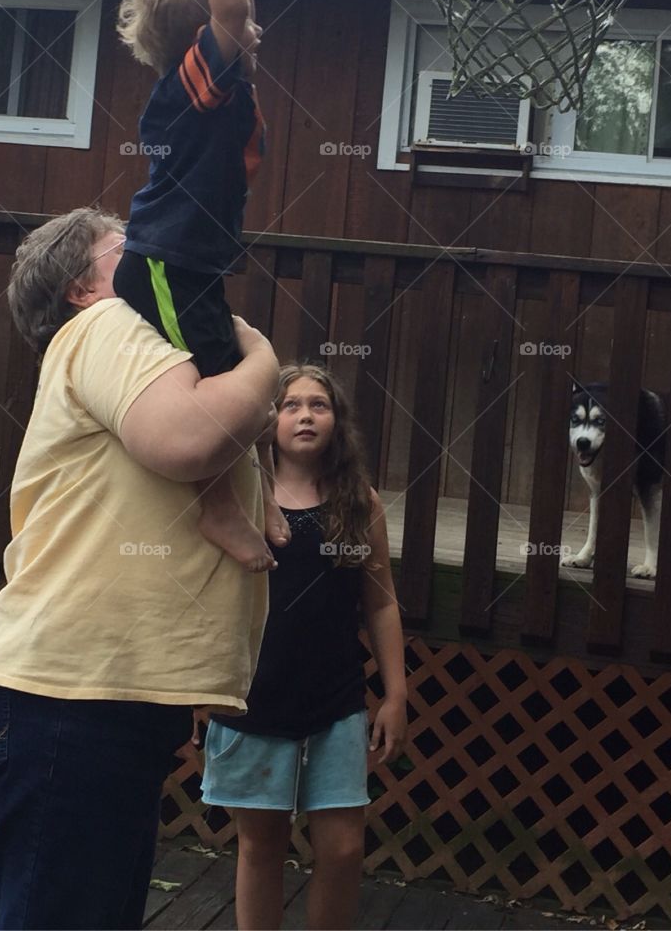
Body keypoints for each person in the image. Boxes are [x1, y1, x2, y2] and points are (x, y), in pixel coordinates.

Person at [0, 206, 279, 931]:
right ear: (82, 287)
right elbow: (194, 438)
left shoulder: (133, 350)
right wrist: (262, 353)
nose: (154, 260)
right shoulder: (107, 327)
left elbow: (215, 431)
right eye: (128, 250)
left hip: (95, 699)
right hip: (68, 701)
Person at [114, 0, 286, 574]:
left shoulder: (220, 85)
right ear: (202, 36)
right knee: (219, 383)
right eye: (242, 19)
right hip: (165, 261)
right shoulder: (194, 89)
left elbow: (233, 5)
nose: (254, 24)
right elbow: (227, 13)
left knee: (246, 379)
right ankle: (217, 507)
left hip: (191, 264)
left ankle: (261, 492)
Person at [199, 364, 408, 931]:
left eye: (319, 404)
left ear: (337, 423)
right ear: (268, 421)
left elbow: (381, 602)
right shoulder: (239, 496)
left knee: (342, 849)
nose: (306, 415)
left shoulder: (359, 502)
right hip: (254, 697)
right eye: (290, 405)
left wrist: (395, 694)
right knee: (260, 845)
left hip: (335, 700)